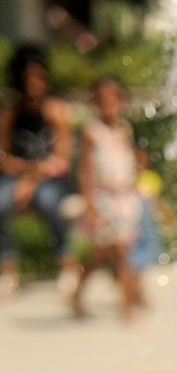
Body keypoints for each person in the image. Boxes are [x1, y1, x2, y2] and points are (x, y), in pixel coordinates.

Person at [0, 44, 79, 300]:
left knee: (48, 199)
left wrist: (31, 179)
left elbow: (61, 161)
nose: (35, 84)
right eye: (29, 78)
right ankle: (8, 270)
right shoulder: (12, 113)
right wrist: (29, 173)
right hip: (21, 178)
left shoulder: (56, 111)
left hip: (53, 181)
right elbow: (3, 159)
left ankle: (67, 263)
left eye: (39, 77)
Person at [71, 76, 142, 320]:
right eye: (103, 100)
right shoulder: (92, 132)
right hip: (102, 199)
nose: (109, 104)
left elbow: (129, 161)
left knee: (122, 251)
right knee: (101, 255)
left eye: (114, 99)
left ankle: (126, 302)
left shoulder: (124, 129)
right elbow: (85, 172)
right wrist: (89, 204)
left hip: (123, 199)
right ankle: (84, 294)